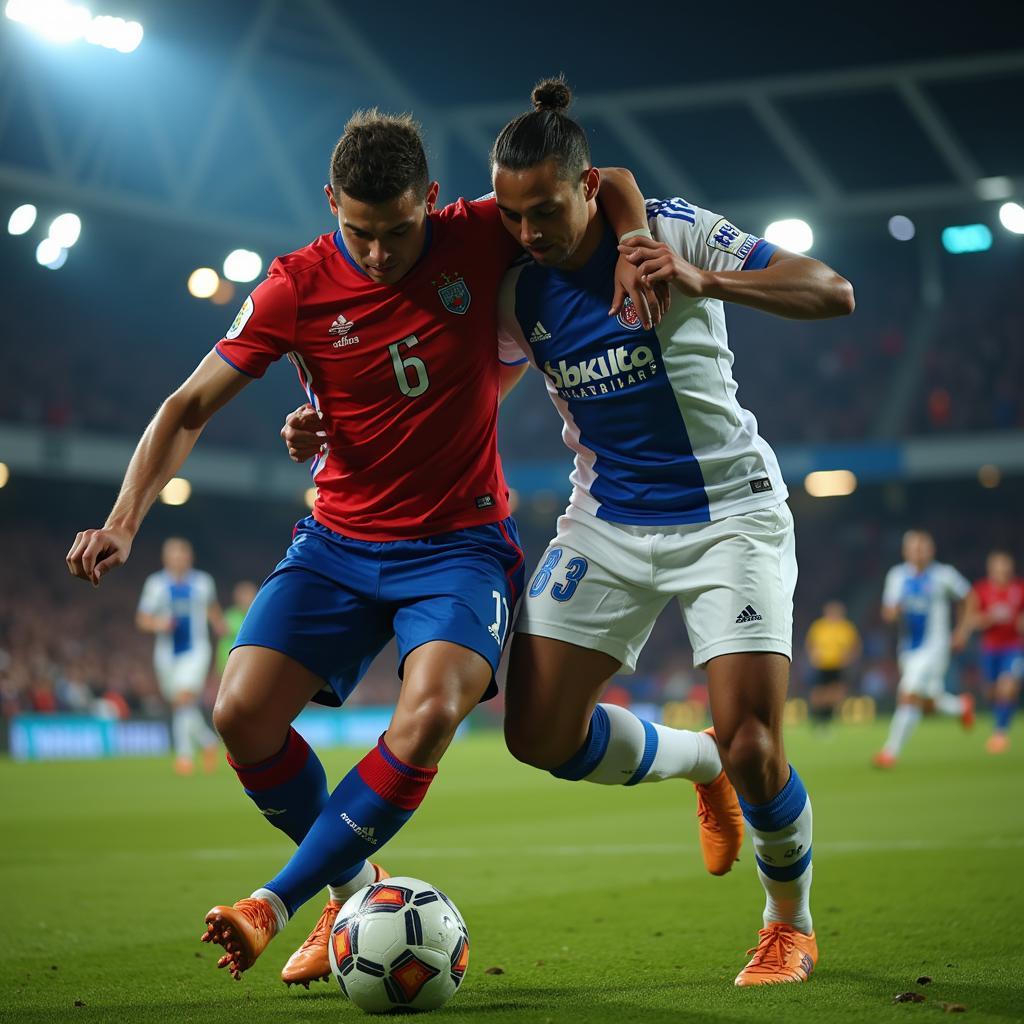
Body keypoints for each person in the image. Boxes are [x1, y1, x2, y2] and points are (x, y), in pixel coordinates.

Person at [66, 107, 671, 987]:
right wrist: (124, 520)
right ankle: (357, 886)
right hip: (339, 540)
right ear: (329, 206)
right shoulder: (295, 286)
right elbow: (185, 407)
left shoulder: (478, 232)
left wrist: (634, 239)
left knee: (427, 716)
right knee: (238, 713)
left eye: (397, 231)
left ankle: (274, 903)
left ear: (432, 199)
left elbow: (603, 179)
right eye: (360, 232)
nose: (380, 254)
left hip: (462, 544)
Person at [490, 77, 853, 988]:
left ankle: (790, 924)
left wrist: (700, 277)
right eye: (512, 213)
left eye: (545, 211)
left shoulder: (673, 229)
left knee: (760, 745)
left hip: (730, 511)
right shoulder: (512, 281)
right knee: (535, 733)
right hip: (607, 518)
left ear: (585, 187)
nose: (529, 231)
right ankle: (701, 767)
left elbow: (830, 290)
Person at [874, 530, 973, 768]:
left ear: (931, 550)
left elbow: (969, 597)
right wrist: (892, 612)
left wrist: (962, 630)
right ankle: (961, 706)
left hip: (935, 647)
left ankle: (889, 752)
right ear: (905, 551)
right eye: (913, 547)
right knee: (925, 703)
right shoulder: (897, 576)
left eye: (922, 547)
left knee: (908, 694)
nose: (918, 552)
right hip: (908, 648)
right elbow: (888, 611)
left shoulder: (943, 575)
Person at [136, 537, 224, 775]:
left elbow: (211, 608)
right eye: (173, 555)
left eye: (182, 554)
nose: (178, 559)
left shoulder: (203, 582)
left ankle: (184, 756)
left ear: (189, 557)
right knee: (179, 704)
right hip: (166, 653)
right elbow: (142, 619)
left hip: (196, 650)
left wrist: (219, 625)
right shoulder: (155, 584)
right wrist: (159, 623)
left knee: (185, 698)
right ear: (166, 558)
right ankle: (208, 741)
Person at [953, 550, 1024, 754]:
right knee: (992, 692)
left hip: (1014, 647)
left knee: (1007, 687)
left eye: (1005, 566)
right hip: (990, 648)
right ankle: (1000, 718)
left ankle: (1000, 733)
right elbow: (972, 619)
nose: (1002, 570)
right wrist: (989, 618)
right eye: (997, 566)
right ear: (990, 569)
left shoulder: (1019, 588)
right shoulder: (981, 590)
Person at [804, 601, 861, 728]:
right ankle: (817, 718)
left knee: (837, 693)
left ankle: (827, 718)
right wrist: (813, 656)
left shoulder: (846, 627)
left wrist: (850, 658)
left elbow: (855, 646)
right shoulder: (819, 626)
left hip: (838, 665)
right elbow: (810, 644)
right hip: (822, 665)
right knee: (818, 693)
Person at [216, 580, 258, 677]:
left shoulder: (258, 617)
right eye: (243, 596)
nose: (245, 599)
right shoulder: (230, 615)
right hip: (228, 662)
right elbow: (222, 637)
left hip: (250, 663)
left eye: (248, 595)